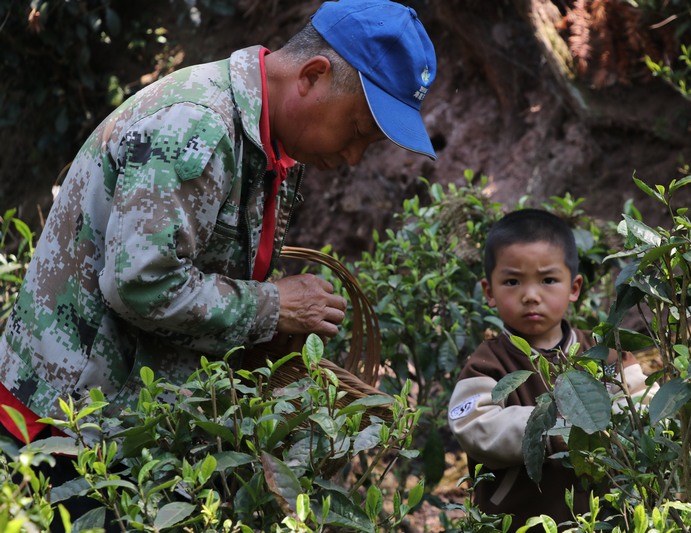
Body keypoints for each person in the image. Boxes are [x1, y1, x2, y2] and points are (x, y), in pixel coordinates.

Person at [0, 0, 436, 445]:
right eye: (358, 130)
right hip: (60, 421)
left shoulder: (272, 139)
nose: (354, 156)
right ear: (312, 76)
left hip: (115, 420)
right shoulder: (197, 125)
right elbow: (140, 284)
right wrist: (274, 306)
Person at [447, 208, 657, 530]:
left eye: (547, 280)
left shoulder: (603, 354)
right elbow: (476, 426)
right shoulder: (488, 364)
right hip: (518, 521)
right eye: (512, 281)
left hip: (604, 518)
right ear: (489, 291)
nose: (531, 296)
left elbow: (644, 405)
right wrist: (559, 429)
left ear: (573, 287)